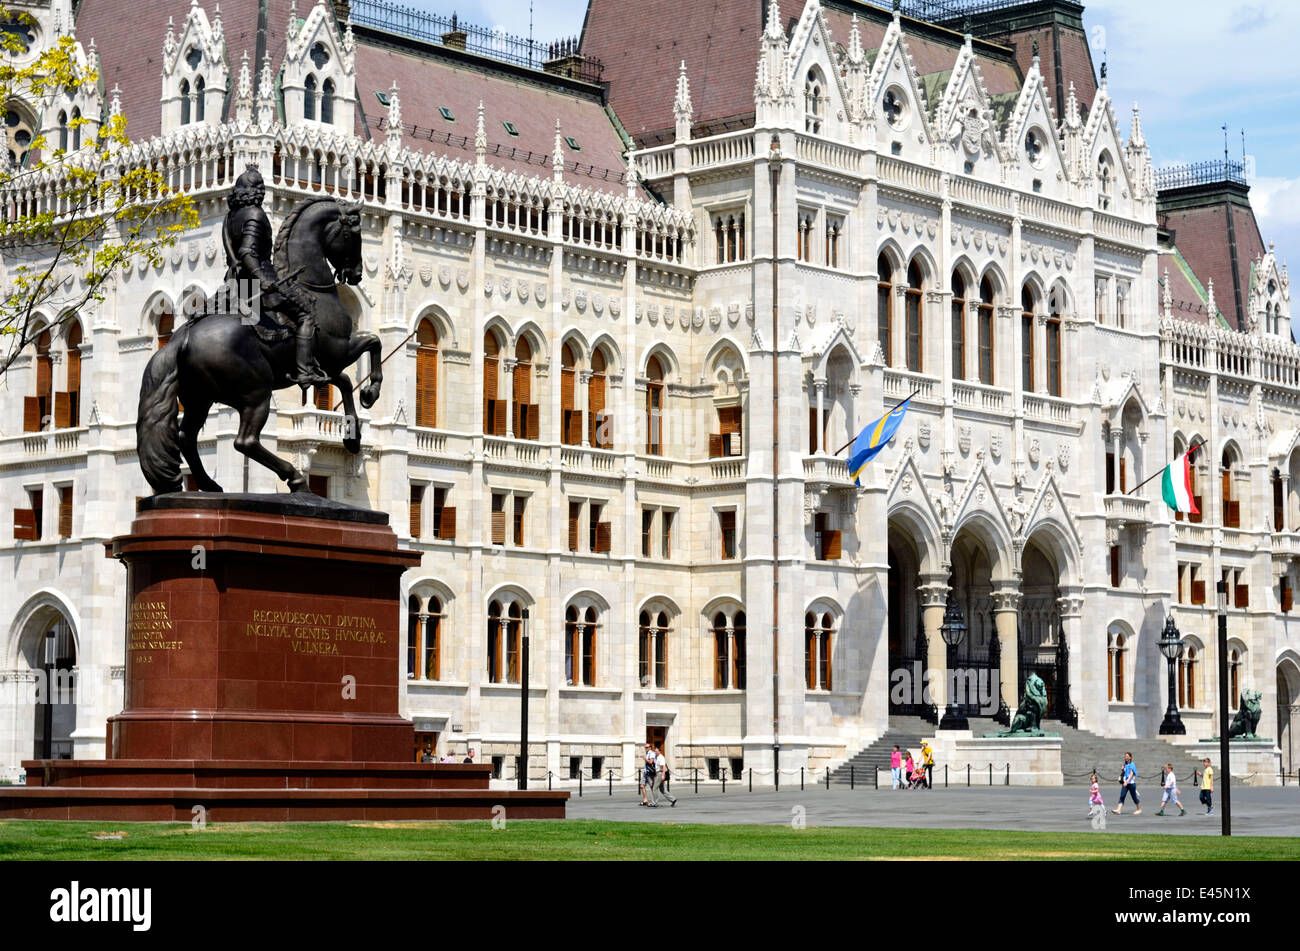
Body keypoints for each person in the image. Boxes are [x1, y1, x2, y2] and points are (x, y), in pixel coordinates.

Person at [220, 166, 329, 388]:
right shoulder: (254, 215)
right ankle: (305, 371)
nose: (262, 192)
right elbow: (246, 252)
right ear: (256, 191)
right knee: (306, 312)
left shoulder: (230, 217)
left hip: (235, 284)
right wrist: (264, 279)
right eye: (260, 188)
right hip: (256, 283)